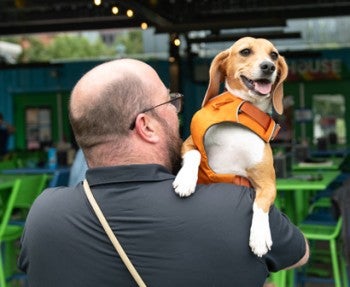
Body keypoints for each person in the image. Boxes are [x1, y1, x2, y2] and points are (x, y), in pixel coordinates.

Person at [18, 58, 309, 287]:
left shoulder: (43, 215)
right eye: (170, 102)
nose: (178, 112)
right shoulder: (239, 207)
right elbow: (299, 252)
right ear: (146, 126)